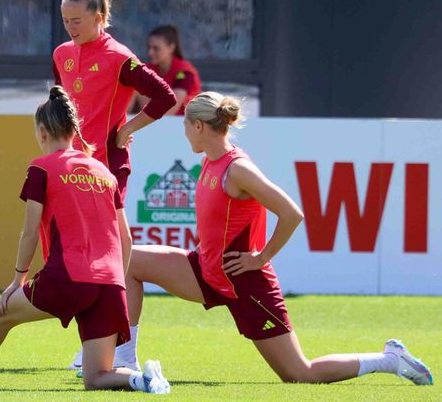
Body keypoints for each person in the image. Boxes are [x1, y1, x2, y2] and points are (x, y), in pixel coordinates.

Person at [112, 91, 434, 385]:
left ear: (198, 126)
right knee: (130, 261)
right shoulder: (209, 159)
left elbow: (292, 213)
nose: (183, 133)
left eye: (185, 126)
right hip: (207, 271)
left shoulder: (237, 169)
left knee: (299, 374)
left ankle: (389, 359)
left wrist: (261, 257)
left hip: (245, 282)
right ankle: (124, 361)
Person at [0, 86, 170, 394]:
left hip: (68, 277)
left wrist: (17, 280)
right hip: (110, 284)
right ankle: (142, 380)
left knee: (3, 313)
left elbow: (29, 231)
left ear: (42, 131)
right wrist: (117, 279)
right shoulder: (104, 171)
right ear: (73, 129)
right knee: (97, 378)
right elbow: (126, 238)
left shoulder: (41, 167)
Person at [54, 0, 176, 372]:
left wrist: (125, 129)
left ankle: (117, 343)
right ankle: (103, 344)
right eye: (65, 21)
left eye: (77, 21)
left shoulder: (119, 56)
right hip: (70, 165)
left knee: (111, 251)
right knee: (83, 251)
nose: (70, 28)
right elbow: (62, 105)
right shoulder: (61, 54)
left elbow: (164, 96)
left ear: (99, 18)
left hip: (106, 166)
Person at [133, 24, 201, 116]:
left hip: (182, 125)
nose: (150, 53)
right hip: (152, 122)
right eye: (149, 48)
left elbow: (169, 111)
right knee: (132, 85)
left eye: (156, 48)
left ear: (171, 48)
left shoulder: (184, 72)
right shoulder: (148, 69)